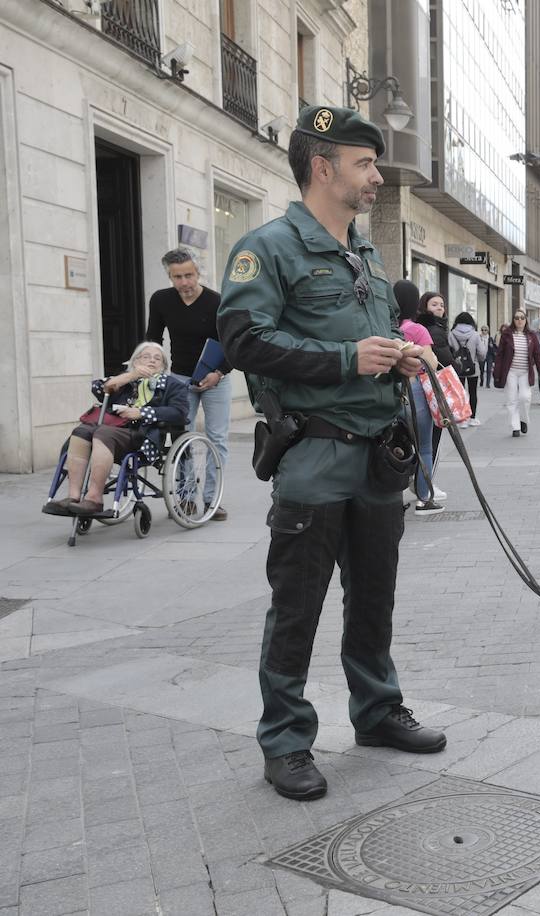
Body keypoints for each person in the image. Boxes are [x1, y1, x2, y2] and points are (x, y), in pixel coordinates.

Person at [217, 105, 447, 801]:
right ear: (323, 167)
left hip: (379, 458)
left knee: (374, 598)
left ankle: (377, 711)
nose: (375, 176)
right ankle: (286, 741)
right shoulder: (270, 247)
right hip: (315, 458)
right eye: (364, 164)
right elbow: (243, 341)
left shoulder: (366, 254)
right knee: (298, 607)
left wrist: (397, 359)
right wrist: (348, 358)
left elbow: (367, 347)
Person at [43, 342, 190, 517]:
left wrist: (141, 412)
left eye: (157, 358)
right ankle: (73, 496)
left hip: (141, 436)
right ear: (135, 362)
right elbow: (98, 388)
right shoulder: (124, 380)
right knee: (81, 431)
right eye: (146, 357)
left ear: (164, 366)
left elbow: (179, 413)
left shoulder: (174, 385)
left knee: (102, 433)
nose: (152, 360)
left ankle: (94, 499)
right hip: (112, 429)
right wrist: (129, 376)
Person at [145, 249, 231, 520]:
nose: (184, 282)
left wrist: (219, 373)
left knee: (217, 438)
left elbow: (233, 345)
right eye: (177, 277)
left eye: (189, 275)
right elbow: (153, 339)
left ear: (198, 273)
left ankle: (210, 499)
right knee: (181, 437)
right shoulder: (161, 300)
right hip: (180, 378)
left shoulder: (217, 302)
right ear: (170, 276)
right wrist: (152, 369)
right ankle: (186, 498)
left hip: (216, 377)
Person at [395, 280, 443, 515]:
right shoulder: (417, 330)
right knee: (424, 446)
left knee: (392, 445)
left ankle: (393, 498)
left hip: (389, 392)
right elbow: (431, 363)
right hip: (414, 392)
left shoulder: (385, 326)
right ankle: (424, 498)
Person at [416, 291, 455, 469]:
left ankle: (421, 479)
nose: (440, 307)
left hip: (421, 386)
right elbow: (445, 359)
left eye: (441, 304)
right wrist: (458, 365)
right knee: (433, 439)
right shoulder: (435, 330)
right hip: (433, 387)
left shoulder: (426, 327)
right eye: (434, 304)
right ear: (424, 307)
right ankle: (427, 483)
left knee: (424, 438)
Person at [494, 310, 540, 437]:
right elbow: (500, 355)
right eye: (517, 318)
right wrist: (497, 373)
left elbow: (538, 355)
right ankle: (515, 427)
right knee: (511, 399)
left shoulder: (531, 335)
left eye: (522, 318)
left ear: (526, 320)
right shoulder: (506, 335)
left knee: (525, 397)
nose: (519, 320)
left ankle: (523, 420)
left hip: (525, 372)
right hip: (511, 371)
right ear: (513, 320)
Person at [447, 311, 485, 427]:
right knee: (473, 392)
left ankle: (462, 419)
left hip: (457, 368)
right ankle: (472, 418)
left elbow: (448, 351)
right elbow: (482, 353)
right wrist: (476, 359)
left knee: (459, 393)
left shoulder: (451, 334)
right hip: (473, 368)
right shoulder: (475, 334)